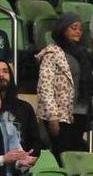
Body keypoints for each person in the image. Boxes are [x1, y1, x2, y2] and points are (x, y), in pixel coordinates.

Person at [36, 13, 90, 154]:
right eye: (74, 28)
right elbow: (45, 86)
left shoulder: (83, 54)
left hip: (80, 113)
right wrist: (53, 116)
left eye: (80, 29)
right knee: (62, 152)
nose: (78, 31)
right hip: (60, 115)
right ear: (63, 29)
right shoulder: (52, 53)